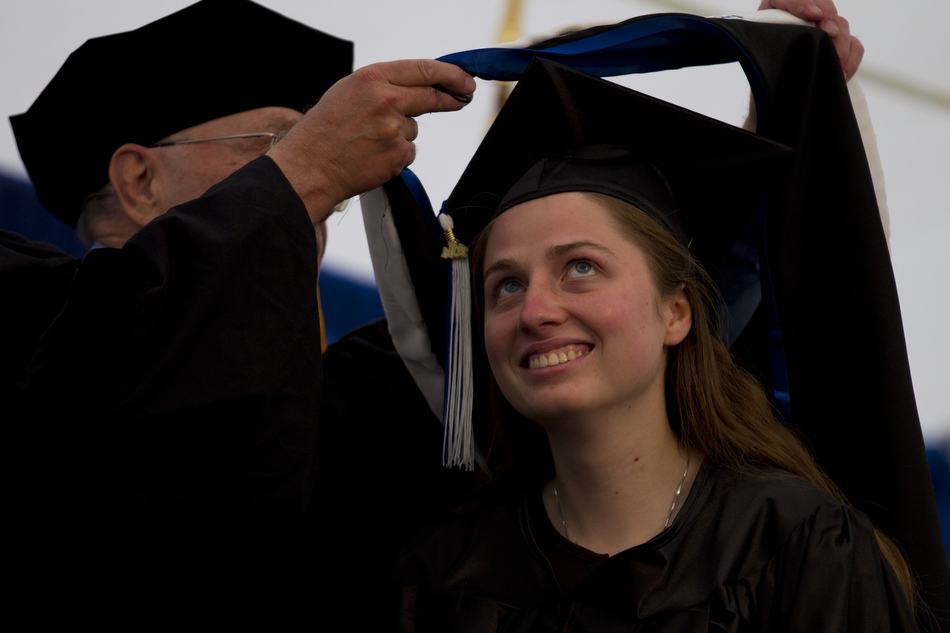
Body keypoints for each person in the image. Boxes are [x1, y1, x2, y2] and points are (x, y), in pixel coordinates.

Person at [391, 57, 921, 632]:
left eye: (581, 267)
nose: (536, 311)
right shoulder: (446, 573)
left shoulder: (801, 551)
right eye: (507, 285)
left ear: (677, 313)